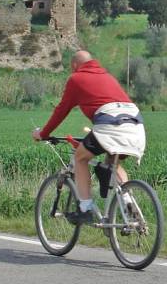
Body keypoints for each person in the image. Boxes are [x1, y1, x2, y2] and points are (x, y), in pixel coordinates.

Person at [33, 50, 146, 224]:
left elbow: (61, 111)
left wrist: (43, 134)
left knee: (80, 158)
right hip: (135, 125)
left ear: (74, 66)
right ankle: (129, 206)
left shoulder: (76, 79)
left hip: (109, 124)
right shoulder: (108, 77)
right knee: (112, 162)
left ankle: (85, 209)